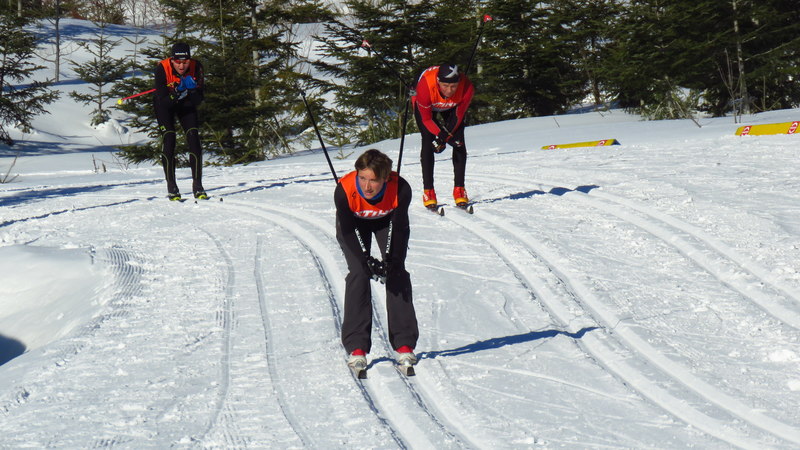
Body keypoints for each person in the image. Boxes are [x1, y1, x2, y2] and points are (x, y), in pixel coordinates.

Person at [334, 149, 418, 373]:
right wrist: (365, 260)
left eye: (373, 180)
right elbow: (347, 231)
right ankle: (357, 347)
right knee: (359, 273)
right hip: (354, 224)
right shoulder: (344, 190)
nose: (367, 186)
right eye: (362, 178)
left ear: (385, 178)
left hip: (387, 221)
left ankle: (404, 343)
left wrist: (392, 260)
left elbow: (399, 228)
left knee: (396, 271)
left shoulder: (400, 188)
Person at [412, 63, 475, 210]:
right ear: (438, 81)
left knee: (458, 141)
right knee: (427, 140)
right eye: (445, 85)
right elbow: (427, 120)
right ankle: (429, 191)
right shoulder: (425, 86)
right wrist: (440, 137)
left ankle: (459, 189)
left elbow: (458, 116)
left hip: (452, 106)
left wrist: (445, 138)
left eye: (453, 86)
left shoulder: (467, 87)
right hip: (428, 105)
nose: (449, 90)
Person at [153, 42, 207, 201]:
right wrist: (176, 92)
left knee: (193, 137)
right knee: (169, 138)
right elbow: (164, 102)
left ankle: (198, 185)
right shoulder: (162, 68)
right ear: (172, 60)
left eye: (185, 62)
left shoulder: (197, 67)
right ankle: (172, 186)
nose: (182, 66)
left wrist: (192, 90)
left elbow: (198, 100)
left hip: (186, 103)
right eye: (178, 62)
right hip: (165, 104)